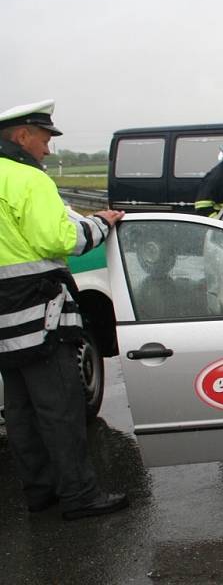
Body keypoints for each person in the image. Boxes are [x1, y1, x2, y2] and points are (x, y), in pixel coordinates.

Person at [0, 99, 128, 520]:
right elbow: (58, 240)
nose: (49, 150)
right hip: (38, 313)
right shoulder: (29, 180)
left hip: (4, 320)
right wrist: (102, 222)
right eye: (44, 138)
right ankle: (79, 495)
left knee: (19, 409)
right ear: (21, 136)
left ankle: (40, 492)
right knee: (59, 406)